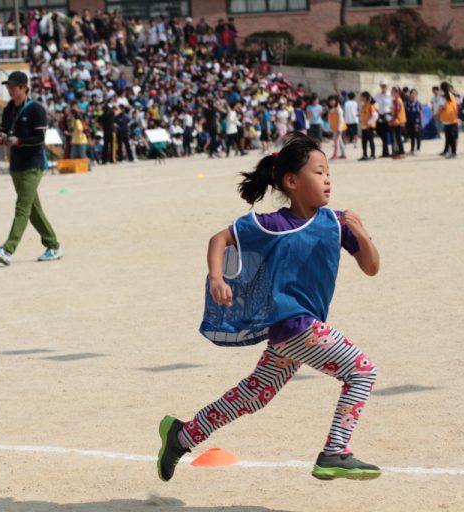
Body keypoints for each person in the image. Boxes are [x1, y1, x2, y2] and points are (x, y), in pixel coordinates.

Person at [156, 132, 381, 483]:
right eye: (319, 172)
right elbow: (220, 238)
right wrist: (217, 277)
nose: (327, 179)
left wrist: (363, 235)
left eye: (329, 173)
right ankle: (335, 451)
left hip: (292, 333)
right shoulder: (272, 224)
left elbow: (371, 267)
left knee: (255, 394)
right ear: (292, 181)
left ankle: (182, 436)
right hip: (298, 327)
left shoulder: (337, 223)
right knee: (362, 372)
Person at [0, 71, 62, 265]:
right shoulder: (8, 109)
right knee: (33, 209)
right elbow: (3, 130)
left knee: (22, 207)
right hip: (16, 165)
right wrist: (0, 137)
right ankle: (53, 246)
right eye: (8, 87)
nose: (10, 90)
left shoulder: (36, 109)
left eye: (13, 87)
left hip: (33, 165)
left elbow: (40, 139)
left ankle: (8, 249)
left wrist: (18, 140)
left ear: (24, 88)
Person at [438, 81, 459, 159]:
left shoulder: (442, 97)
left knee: (449, 137)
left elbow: (441, 108)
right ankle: (452, 152)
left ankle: (453, 153)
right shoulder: (452, 96)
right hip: (453, 118)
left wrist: (437, 115)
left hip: (446, 119)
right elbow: (456, 107)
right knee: (451, 136)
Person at [374, 80, 392, 157]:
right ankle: (385, 152)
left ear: (387, 86)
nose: (383, 87)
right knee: (381, 133)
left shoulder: (390, 95)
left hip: (389, 116)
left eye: (385, 85)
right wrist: (376, 110)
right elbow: (372, 103)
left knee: (391, 133)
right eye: (382, 85)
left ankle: (394, 151)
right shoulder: (378, 95)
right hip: (381, 116)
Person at [358, 92, 378, 161]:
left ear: (365, 98)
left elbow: (375, 115)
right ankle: (365, 155)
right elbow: (363, 114)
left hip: (369, 127)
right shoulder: (363, 106)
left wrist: (369, 123)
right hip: (364, 126)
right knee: (364, 141)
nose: (360, 98)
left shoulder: (370, 106)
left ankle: (373, 155)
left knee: (371, 140)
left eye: (362, 97)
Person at [389, 86, 406, 159]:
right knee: (398, 137)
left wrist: (392, 120)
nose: (392, 93)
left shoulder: (397, 100)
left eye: (393, 91)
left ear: (397, 92)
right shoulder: (398, 100)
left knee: (398, 137)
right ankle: (400, 151)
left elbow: (396, 111)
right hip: (399, 120)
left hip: (397, 121)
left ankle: (401, 152)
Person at [327, 95, 346, 160]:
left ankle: (335, 155)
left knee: (336, 141)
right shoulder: (331, 109)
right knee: (339, 141)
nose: (331, 102)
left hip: (338, 128)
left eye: (333, 100)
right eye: (330, 101)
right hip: (334, 128)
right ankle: (344, 154)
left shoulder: (338, 108)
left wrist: (339, 128)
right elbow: (330, 119)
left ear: (336, 101)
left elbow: (341, 119)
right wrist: (330, 128)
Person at [405, 89, 422, 155]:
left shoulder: (418, 103)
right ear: (410, 95)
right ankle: (412, 149)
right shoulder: (407, 103)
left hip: (417, 122)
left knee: (417, 135)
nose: (413, 95)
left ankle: (418, 149)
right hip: (409, 122)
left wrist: (421, 122)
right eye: (412, 93)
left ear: (416, 95)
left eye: (414, 94)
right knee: (411, 136)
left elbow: (421, 113)